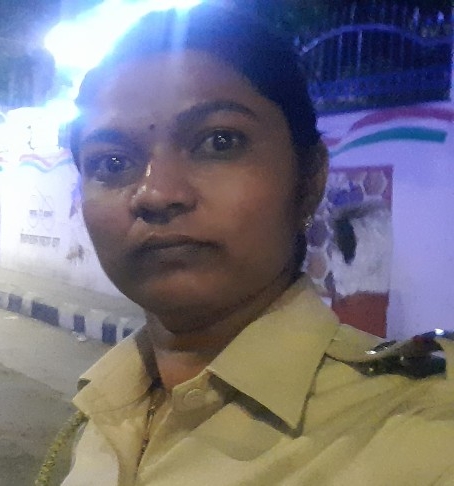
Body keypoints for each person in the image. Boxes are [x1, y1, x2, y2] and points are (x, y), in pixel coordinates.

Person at [48, 5, 454, 485]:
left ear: (309, 178)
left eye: (220, 141)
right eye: (112, 163)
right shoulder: (108, 404)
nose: (156, 193)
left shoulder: (421, 436)